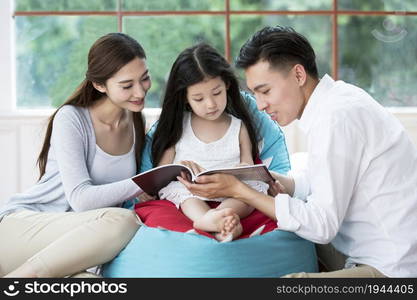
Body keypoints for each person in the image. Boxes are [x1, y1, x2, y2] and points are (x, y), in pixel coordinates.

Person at [177, 26, 417, 277]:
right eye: (255, 93)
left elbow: (322, 226)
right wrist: (262, 178)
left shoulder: (335, 119)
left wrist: (240, 191)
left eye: (265, 91)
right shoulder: (338, 99)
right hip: (370, 246)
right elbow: (323, 181)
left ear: (298, 75)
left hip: (393, 267)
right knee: (278, 240)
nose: (260, 105)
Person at [0, 32, 152, 277]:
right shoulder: (71, 118)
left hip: (71, 244)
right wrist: (140, 183)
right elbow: (80, 199)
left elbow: (119, 194)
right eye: (127, 85)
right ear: (100, 85)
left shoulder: (134, 119)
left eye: (145, 78)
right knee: (125, 221)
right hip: (22, 230)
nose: (140, 92)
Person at [152, 43, 269, 241]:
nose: (211, 104)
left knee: (256, 187)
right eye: (199, 98)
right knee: (178, 191)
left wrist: (241, 169)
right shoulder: (179, 124)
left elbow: (249, 165)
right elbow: (162, 171)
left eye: (217, 93)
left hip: (230, 191)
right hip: (192, 190)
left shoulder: (238, 126)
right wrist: (180, 168)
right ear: (186, 98)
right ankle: (208, 219)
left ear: (227, 85)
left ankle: (223, 218)